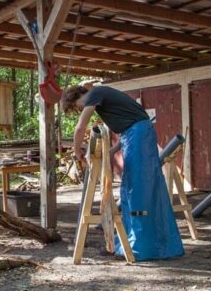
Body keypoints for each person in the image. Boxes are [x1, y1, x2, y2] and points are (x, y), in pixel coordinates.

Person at [62, 84, 184, 261]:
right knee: (129, 190)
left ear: (79, 95)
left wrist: (76, 151)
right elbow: (129, 126)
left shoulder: (94, 93)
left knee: (139, 190)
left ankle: (140, 248)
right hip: (134, 135)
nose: (79, 109)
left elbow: (80, 128)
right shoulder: (104, 103)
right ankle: (126, 244)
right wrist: (112, 150)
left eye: (76, 106)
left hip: (139, 135)